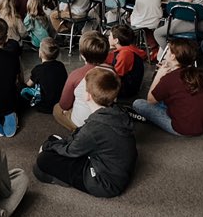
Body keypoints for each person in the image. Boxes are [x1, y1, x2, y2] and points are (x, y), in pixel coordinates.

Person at [34, 67, 137, 198]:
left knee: (44, 159)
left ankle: (62, 177)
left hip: (105, 183)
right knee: (56, 140)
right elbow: (81, 135)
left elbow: (71, 150)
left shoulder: (94, 128)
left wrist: (47, 147)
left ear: (87, 95)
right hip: (116, 169)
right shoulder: (118, 113)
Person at [131, 38, 203, 136]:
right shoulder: (197, 73)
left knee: (138, 103)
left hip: (183, 129)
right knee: (167, 98)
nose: (166, 52)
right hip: (201, 125)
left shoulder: (170, 78)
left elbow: (150, 100)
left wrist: (159, 75)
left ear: (172, 56)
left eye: (167, 50)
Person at [52, 31, 110, 133]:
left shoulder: (76, 75)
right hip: (105, 120)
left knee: (57, 109)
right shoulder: (112, 71)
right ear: (106, 54)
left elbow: (64, 105)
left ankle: (76, 131)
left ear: (82, 55)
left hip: (82, 125)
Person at [21, 37, 67, 113]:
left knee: (23, 89)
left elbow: (28, 85)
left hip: (44, 106)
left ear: (40, 53)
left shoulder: (38, 69)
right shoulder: (61, 65)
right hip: (59, 103)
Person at [106, 24, 147, 99]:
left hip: (126, 90)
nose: (108, 37)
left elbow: (117, 75)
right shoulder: (129, 48)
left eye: (110, 36)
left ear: (116, 40)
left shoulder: (125, 54)